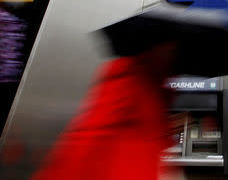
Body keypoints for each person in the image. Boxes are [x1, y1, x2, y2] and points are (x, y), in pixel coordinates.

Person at [31, 42, 181, 180]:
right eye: (167, 46)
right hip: (115, 167)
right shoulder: (128, 73)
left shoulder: (161, 86)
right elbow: (96, 129)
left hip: (140, 167)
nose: (170, 53)